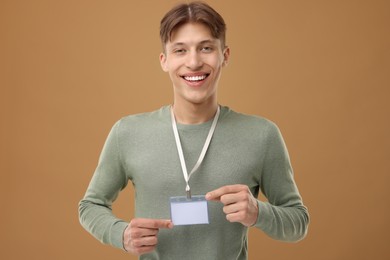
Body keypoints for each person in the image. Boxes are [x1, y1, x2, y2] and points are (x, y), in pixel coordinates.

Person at [78, 1, 309, 259]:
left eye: (206, 48)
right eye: (180, 50)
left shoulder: (262, 135)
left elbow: (298, 223)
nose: (194, 62)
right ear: (164, 61)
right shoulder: (127, 133)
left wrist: (258, 212)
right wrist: (120, 234)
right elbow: (91, 205)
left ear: (225, 56)